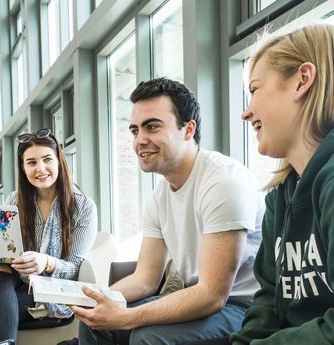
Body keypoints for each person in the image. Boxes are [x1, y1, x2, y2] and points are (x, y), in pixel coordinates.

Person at [71, 78, 265, 345]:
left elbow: (212, 295)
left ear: (188, 129)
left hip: (246, 308)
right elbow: (146, 278)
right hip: (200, 297)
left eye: (152, 127)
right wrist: (100, 297)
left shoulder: (223, 182)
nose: (140, 140)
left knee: (147, 337)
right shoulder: (159, 197)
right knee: (94, 322)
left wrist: (128, 317)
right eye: (135, 130)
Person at [230, 24, 334, 344]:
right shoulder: (279, 198)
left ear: (302, 81)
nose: (246, 113)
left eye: (255, 89)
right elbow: (268, 301)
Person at [0, 128, 97, 345]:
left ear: (59, 161)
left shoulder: (83, 205)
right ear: (23, 168)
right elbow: (3, 248)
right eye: (31, 162)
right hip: (18, 279)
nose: (40, 168)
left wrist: (46, 262)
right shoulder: (15, 200)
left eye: (47, 159)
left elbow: (76, 268)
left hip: (55, 287)